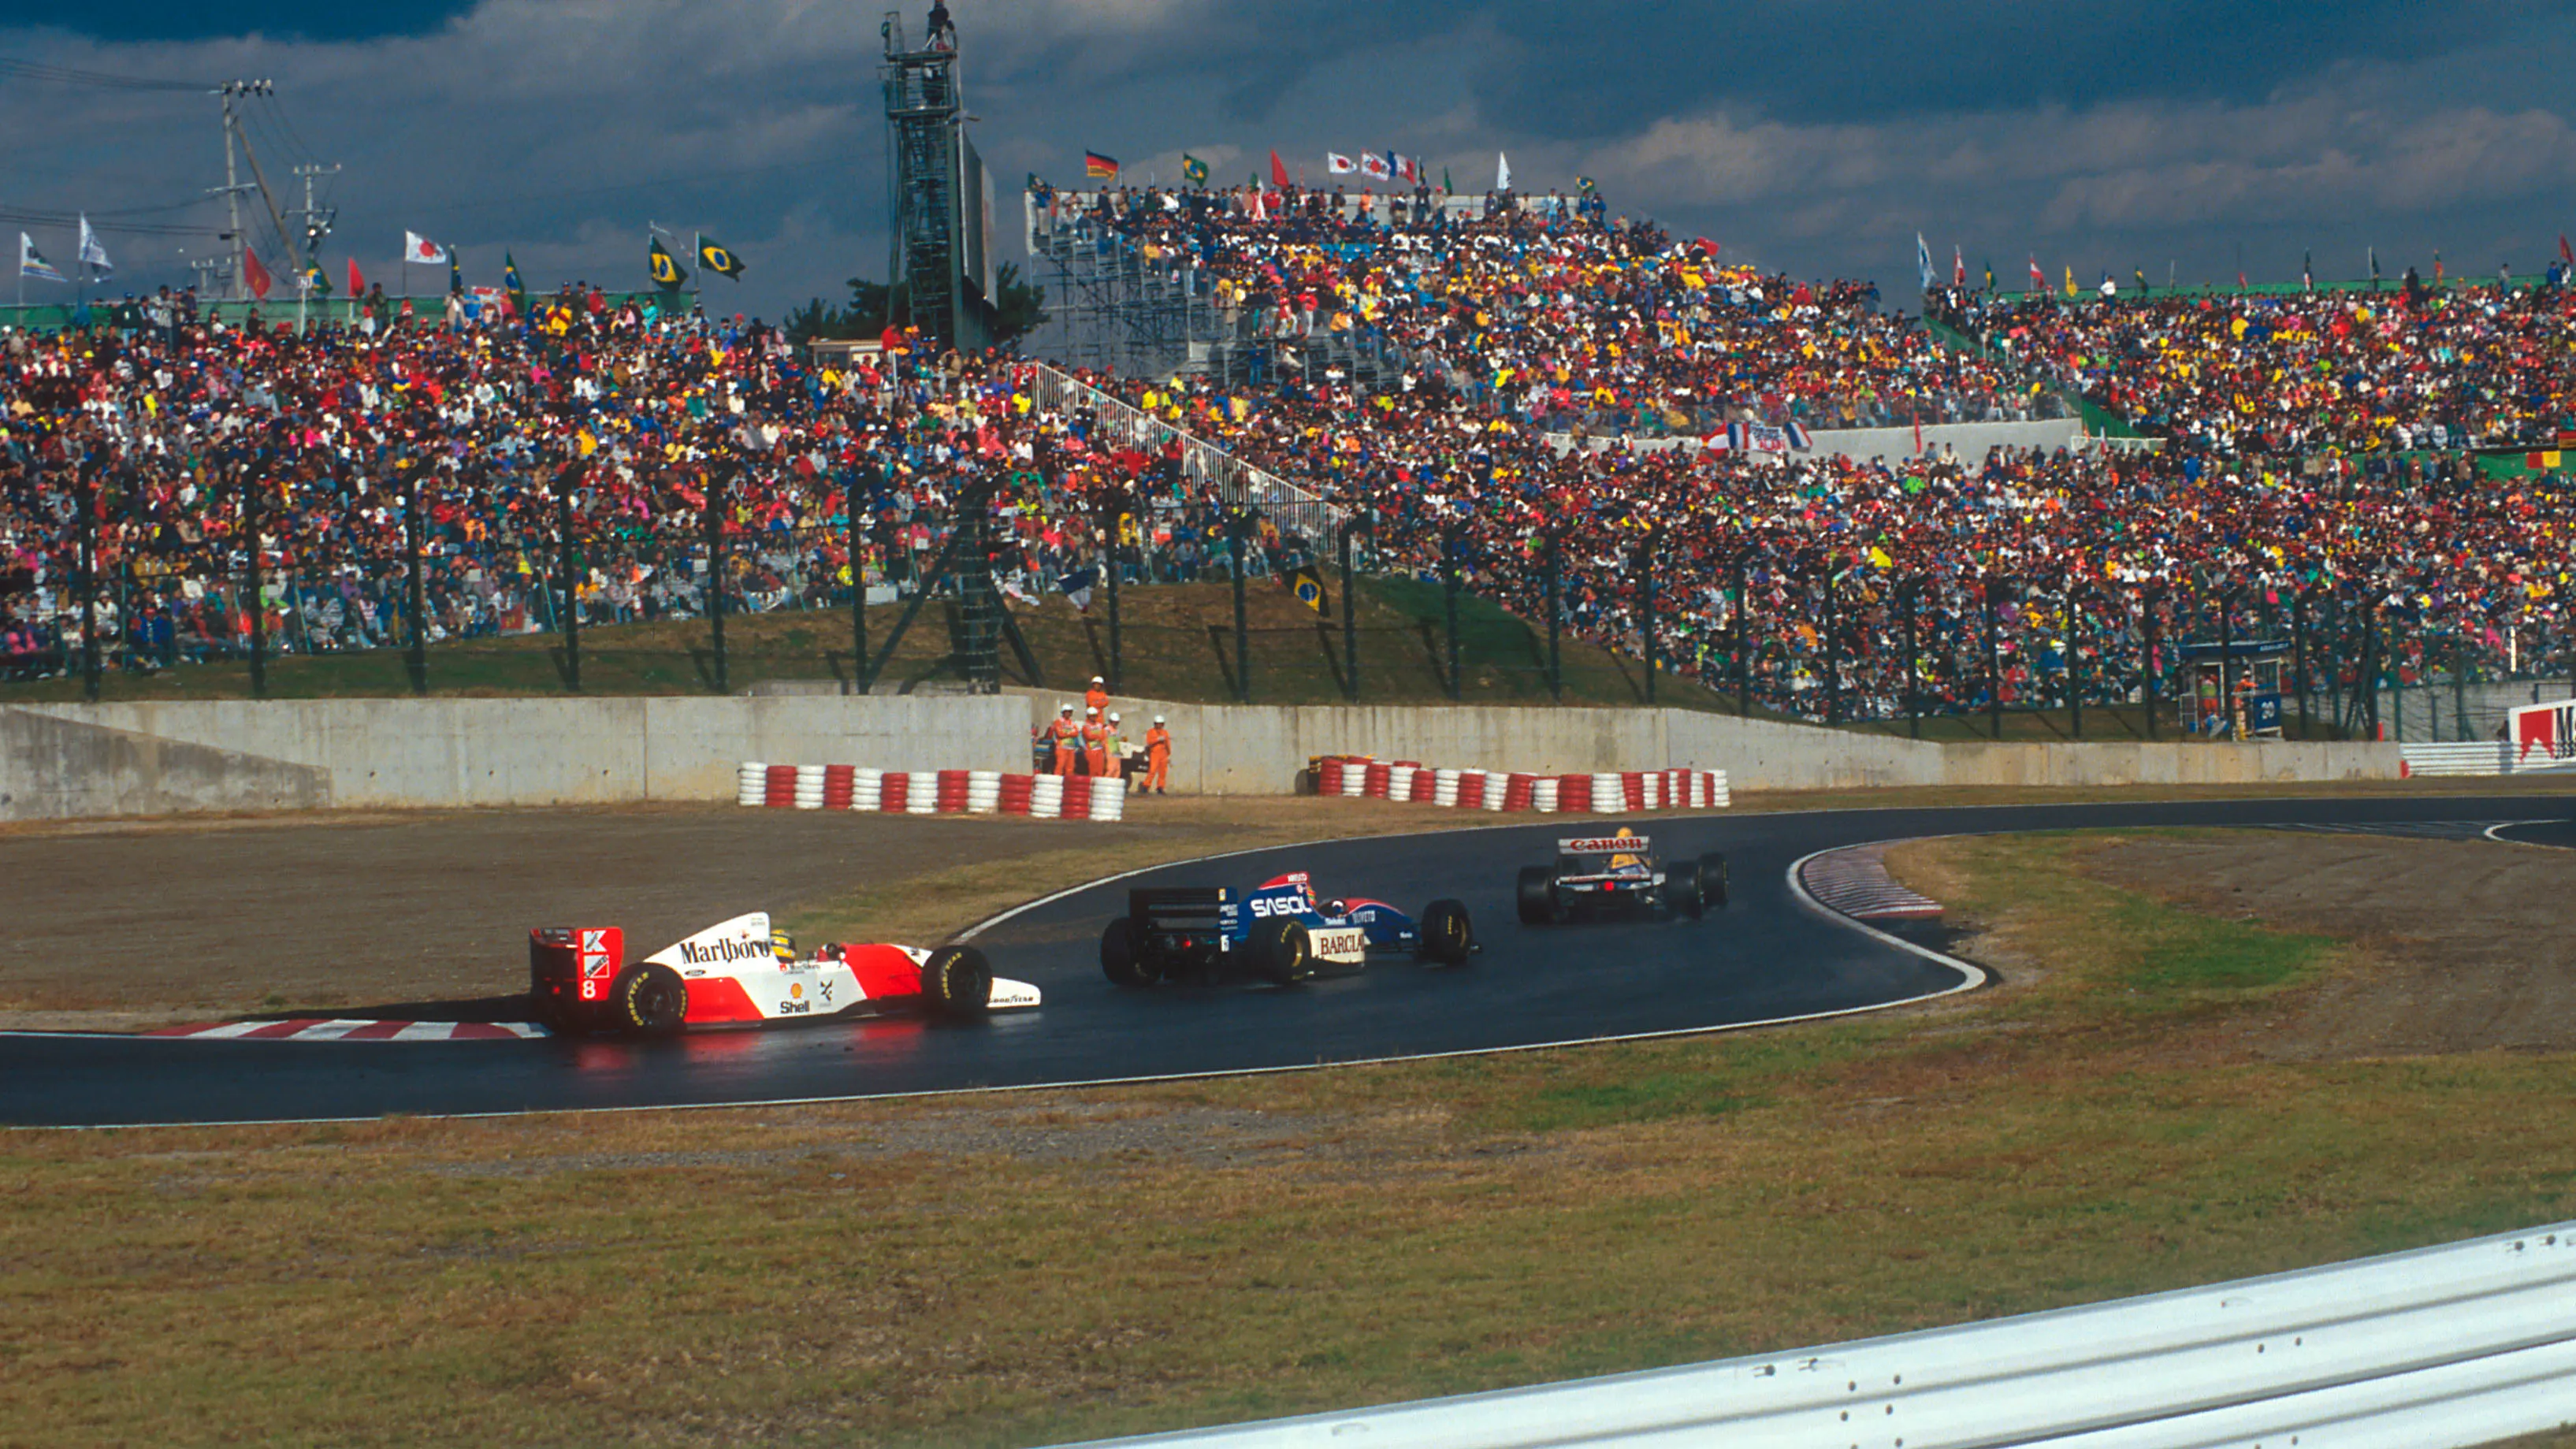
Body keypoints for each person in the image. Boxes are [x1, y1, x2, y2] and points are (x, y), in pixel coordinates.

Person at [1049, 703, 1081, 776]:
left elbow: (1076, 733)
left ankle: (1069, 783)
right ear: (1063, 712)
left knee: (1070, 767)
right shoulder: (1058, 722)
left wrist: (1066, 732)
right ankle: (1056, 781)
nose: (1069, 713)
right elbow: (1060, 734)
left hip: (1071, 748)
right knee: (1060, 765)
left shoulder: (1072, 723)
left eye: (1070, 712)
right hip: (1061, 748)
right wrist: (1070, 732)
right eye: (1067, 711)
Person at [1144, 715, 1172, 794]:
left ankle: (1160, 787)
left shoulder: (1165, 733)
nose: (1159, 725)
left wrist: (1168, 753)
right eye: (1157, 724)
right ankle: (1146, 786)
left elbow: (1167, 743)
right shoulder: (1151, 732)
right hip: (1155, 753)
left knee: (1163, 772)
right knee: (1152, 770)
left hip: (1163, 754)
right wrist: (1157, 739)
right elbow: (1149, 742)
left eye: (1161, 724)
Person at [1081, 706, 1110, 778]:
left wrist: (1096, 736)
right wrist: (1098, 736)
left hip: (1099, 750)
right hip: (1091, 750)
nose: (1094, 717)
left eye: (1095, 716)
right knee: (1092, 770)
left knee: (1100, 770)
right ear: (1088, 716)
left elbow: (1104, 735)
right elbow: (1089, 736)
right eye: (1092, 716)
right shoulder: (1086, 726)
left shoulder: (1099, 725)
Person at [1102, 710, 1126, 781]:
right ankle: (1105, 783)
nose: (1115, 724)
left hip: (1116, 751)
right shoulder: (1107, 729)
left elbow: (1117, 740)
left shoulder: (1116, 730)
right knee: (1111, 769)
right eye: (1114, 722)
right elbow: (1104, 741)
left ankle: (1114, 786)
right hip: (1110, 751)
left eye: (1117, 722)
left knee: (1117, 769)